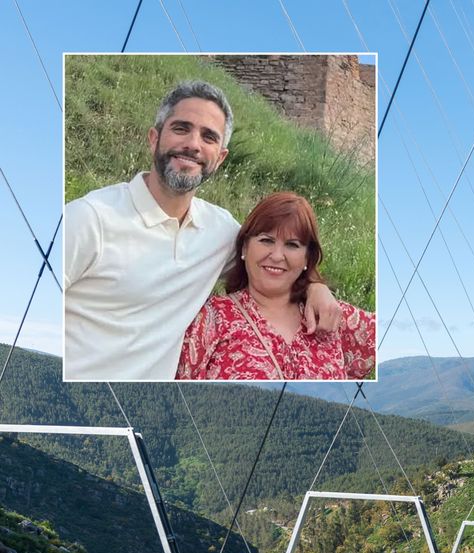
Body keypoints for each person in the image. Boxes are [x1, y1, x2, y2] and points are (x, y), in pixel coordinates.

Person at [63, 80, 342, 381]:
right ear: (154, 138)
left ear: (220, 158)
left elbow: (271, 261)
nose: (194, 145)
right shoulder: (89, 219)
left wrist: (315, 285)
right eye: (181, 128)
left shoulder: (220, 231)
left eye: (209, 137)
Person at [176, 193, 375, 380]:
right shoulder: (211, 319)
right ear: (245, 247)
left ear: (307, 257)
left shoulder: (329, 314)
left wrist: (316, 287)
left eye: (292, 245)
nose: (277, 255)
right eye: (266, 240)